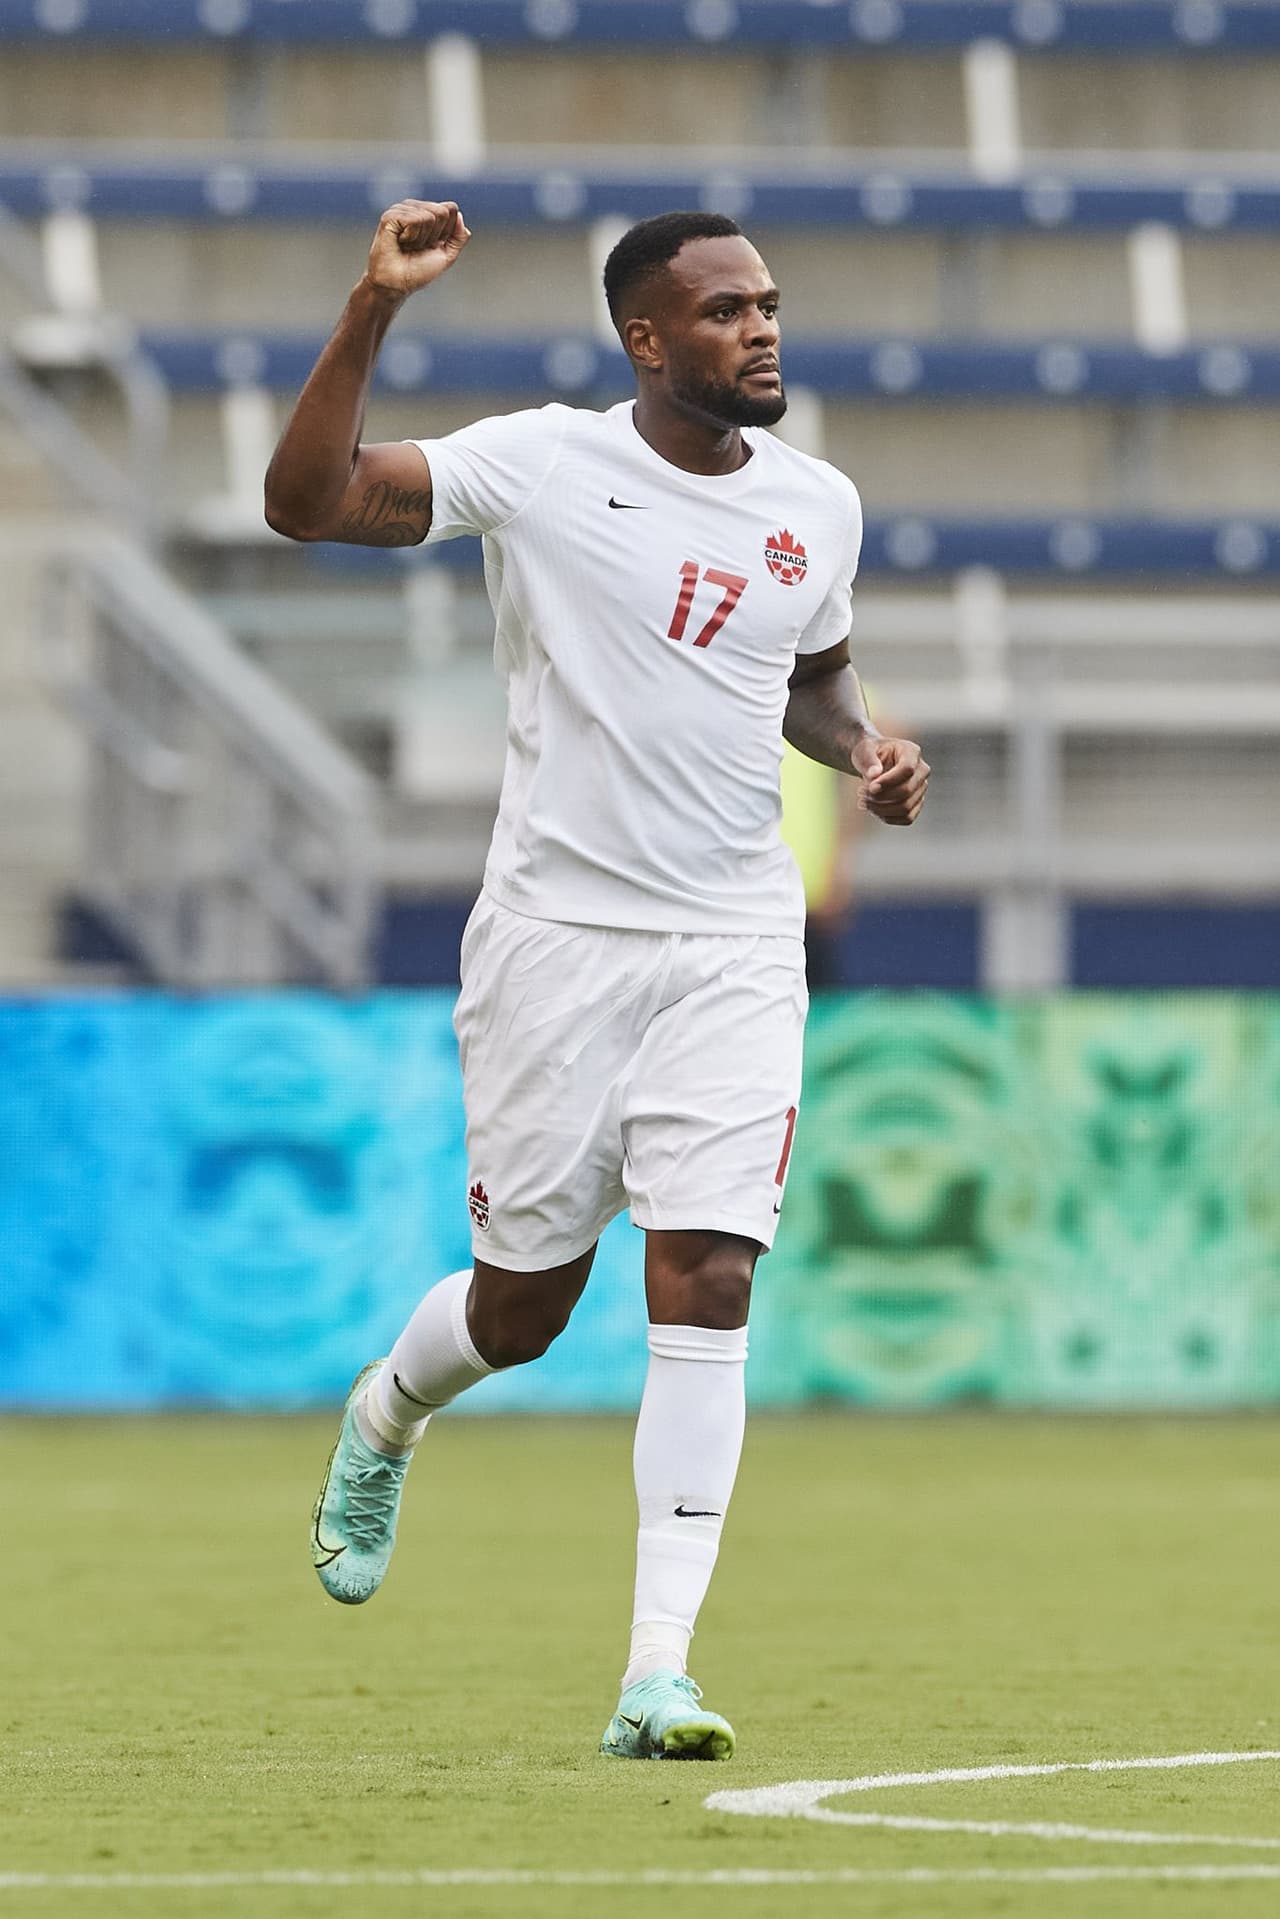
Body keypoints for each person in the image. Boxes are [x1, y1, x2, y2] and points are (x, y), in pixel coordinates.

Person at [264, 200, 930, 1762]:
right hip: (557, 945)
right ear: (646, 340)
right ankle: (387, 1414)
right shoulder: (546, 464)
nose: (760, 329)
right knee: (523, 1311)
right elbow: (307, 502)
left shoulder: (818, 504)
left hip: (734, 943)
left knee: (708, 1275)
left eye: (768, 304)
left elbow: (813, 682)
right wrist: (371, 306)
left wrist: (868, 750)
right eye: (722, 312)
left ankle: (656, 1672)